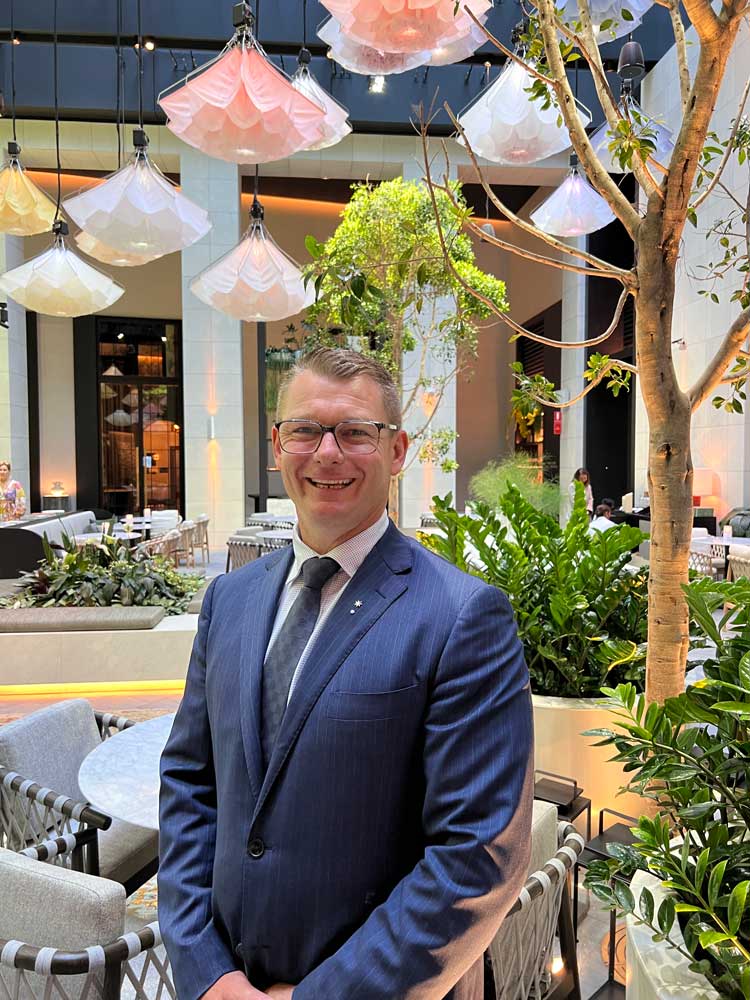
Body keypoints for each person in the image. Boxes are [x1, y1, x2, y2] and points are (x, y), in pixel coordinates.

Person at [159, 348, 534, 1000]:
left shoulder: (463, 616)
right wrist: (205, 971)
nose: (327, 453)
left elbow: (476, 855)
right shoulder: (229, 600)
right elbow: (191, 783)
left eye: (356, 432)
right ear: (278, 446)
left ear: (397, 450)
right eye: (305, 430)